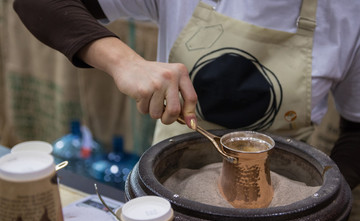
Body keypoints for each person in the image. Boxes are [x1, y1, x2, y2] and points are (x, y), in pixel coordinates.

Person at [13, 0, 360, 189]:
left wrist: (324, 195)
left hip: (284, 202)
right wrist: (126, 62)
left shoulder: (348, 13)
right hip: (170, 191)